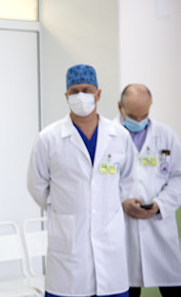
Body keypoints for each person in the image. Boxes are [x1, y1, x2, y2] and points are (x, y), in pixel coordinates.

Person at [27, 64, 137, 297]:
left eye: (86, 90)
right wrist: (63, 206)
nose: (80, 96)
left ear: (98, 94)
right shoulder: (49, 138)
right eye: (74, 91)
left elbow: (128, 180)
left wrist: (106, 204)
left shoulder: (119, 136)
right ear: (66, 96)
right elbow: (36, 184)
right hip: (68, 250)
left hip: (110, 244)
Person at [114, 84, 181, 297]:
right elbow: (101, 182)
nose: (139, 121)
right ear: (120, 107)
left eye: (144, 115)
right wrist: (122, 202)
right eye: (133, 116)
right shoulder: (109, 136)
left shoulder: (165, 135)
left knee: (172, 285)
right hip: (123, 226)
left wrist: (160, 204)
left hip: (159, 227)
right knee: (127, 287)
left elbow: (178, 176)